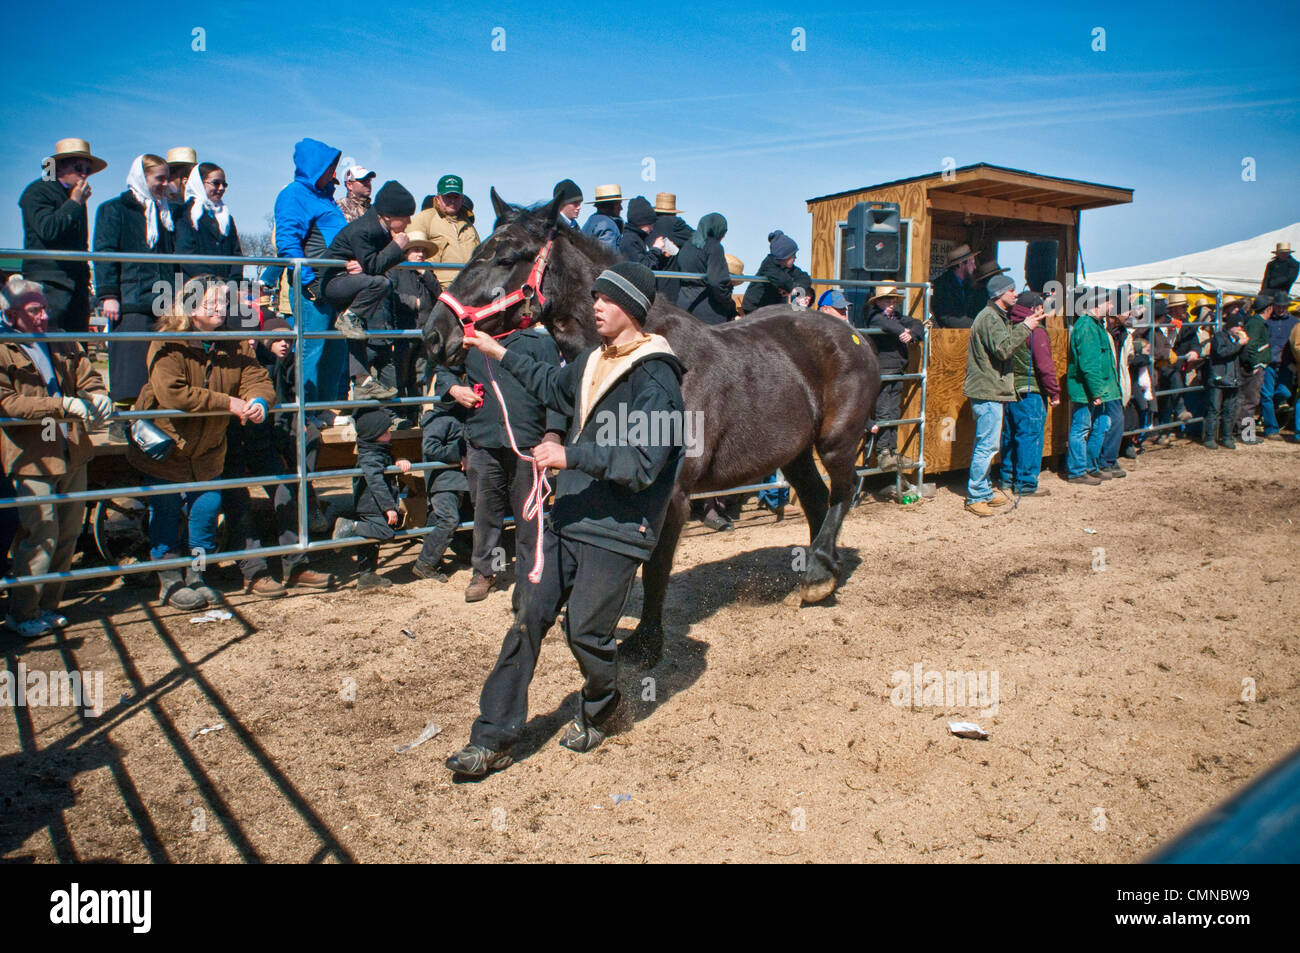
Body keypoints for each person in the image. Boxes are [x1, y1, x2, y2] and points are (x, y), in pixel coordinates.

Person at [445, 262, 685, 777]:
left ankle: (603, 707)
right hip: (569, 512)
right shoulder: (593, 359)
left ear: (633, 309)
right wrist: (496, 351)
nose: (595, 305)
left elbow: (645, 464)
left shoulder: (657, 375)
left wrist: (569, 457)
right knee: (529, 617)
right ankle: (493, 737)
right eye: (594, 296)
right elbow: (553, 386)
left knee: (586, 634)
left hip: (619, 527)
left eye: (607, 299)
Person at [127, 275, 275, 610]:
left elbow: (257, 378)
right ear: (190, 306)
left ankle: (196, 577)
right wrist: (230, 404)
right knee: (165, 514)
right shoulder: (168, 343)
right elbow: (172, 393)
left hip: (208, 449)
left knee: (205, 514)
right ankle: (169, 580)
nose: (220, 308)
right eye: (212, 302)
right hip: (167, 447)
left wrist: (258, 402)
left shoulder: (233, 343)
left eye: (224, 301)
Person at [0, 277, 112, 638]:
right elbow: (9, 403)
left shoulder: (60, 337)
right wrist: (60, 405)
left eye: (45, 308)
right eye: (35, 311)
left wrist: (97, 394)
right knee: (40, 535)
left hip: (70, 450)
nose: (44, 316)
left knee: (67, 533)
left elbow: (87, 374)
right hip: (32, 456)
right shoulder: (4, 348)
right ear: (12, 314)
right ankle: (23, 610)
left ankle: (48, 606)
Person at [434, 313, 566, 604]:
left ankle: (531, 575)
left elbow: (555, 389)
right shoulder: (471, 342)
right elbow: (442, 369)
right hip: (483, 439)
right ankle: (486, 570)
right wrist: (455, 389)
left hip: (528, 441)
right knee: (486, 512)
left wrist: (553, 434)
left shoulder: (538, 343)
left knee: (529, 515)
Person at [218, 315, 334, 597]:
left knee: (287, 492)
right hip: (231, 440)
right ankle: (253, 571)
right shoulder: (239, 357)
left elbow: (280, 401)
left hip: (262, 441)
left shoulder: (284, 365)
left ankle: (295, 564)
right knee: (237, 501)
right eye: (278, 339)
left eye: (288, 340)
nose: (284, 344)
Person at [94, 154, 177, 415]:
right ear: (142, 178)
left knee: (160, 363)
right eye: (159, 178)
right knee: (129, 364)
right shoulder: (114, 209)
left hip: (161, 299)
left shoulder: (165, 214)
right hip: (130, 298)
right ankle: (124, 418)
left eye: (167, 178)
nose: (164, 184)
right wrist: (108, 293)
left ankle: (153, 416)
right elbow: (104, 252)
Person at [270, 138, 348, 409]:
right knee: (311, 350)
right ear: (315, 166)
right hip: (311, 287)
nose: (333, 172)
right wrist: (308, 281)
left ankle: (325, 408)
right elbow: (288, 242)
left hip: (335, 285)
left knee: (336, 349)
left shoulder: (326, 196)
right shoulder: (293, 194)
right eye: (329, 166)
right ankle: (306, 411)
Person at [321, 180, 416, 400]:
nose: (409, 221)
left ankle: (363, 382)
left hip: (353, 283)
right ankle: (349, 317)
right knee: (381, 283)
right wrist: (397, 247)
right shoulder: (364, 228)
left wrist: (370, 264)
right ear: (390, 216)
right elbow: (375, 267)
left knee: (357, 337)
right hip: (334, 282)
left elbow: (373, 264)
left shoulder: (379, 227)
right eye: (406, 216)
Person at [962, 274, 1040, 515]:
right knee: (986, 446)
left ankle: (983, 491)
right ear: (999, 294)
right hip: (988, 391)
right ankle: (975, 495)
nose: (1016, 294)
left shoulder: (993, 317)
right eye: (1012, 290)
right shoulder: (990, 319)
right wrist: (1026, 327)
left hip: (990, 389)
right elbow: (1004, 349)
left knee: (988, 444)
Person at [19, 138, 105, 334]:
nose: (84, 174)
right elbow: (47, 229)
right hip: (49, 282)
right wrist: (74, 203)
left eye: (87, 170)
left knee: (76, 346)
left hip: (75, 283)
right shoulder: (37, 191)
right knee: (50, 344)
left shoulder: (75, 196)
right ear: (59, 167)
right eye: (78, 167)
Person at [330, 407, 412, 591]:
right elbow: (376, 482)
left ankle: (367, 575)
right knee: (385, 532)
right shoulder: (370, 456)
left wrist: (397, 461)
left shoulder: (376, 449)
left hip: (372, 504)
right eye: (385, 432)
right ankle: (350, 527)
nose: (389, 434)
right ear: (374, 435)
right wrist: (389, 507)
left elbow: (387, 461)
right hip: (372, 504)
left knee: (369, 542)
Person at [999, 291, 1059, 496]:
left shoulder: (1010, 326)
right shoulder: (1037, 331)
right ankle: (1026, 484)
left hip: (1011, 390)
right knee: (1030, 437)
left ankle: (1007, 478)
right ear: (1035, 309)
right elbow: (1045, 366)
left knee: (1010, 435)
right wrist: (1054, 392)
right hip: (1031, 390)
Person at [411, 380, 471, 582]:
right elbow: (430, 447)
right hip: (443, 481)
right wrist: (458, 456)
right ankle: (425, 563)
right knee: (449, 519)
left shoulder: (456, 416)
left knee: (441, 519)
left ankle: (460, 551)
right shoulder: (439, 419)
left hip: (455, 481)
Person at [1063, 287, 1120, 485]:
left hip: (1098, 388)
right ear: (1098, 304)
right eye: (1108, 302)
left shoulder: (1093, 325)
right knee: (1081, 428)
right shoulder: (1087, 326)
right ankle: (1077, 470)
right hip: (1087, 389)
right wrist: (1096, 392)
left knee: (1101, 425)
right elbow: (1089, 364)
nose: (1112, 306)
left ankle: (1089, 465)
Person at [865, 286, 924, 472]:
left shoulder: (895, 317)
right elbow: (890, 327)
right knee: (883, 410)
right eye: (888, 300)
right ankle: (883, 452)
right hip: (883, 369)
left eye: (894, 300)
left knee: (893, 411)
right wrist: (904, 331)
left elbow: (918, 324)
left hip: (897, 369)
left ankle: (892, 449)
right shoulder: (875, 317)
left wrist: (911, 333)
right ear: (878, 302)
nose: (892, 304)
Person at [389, 231, 443, 406]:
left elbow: (439, 294)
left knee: (420, 373)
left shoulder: (427, 271)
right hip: (404, 328)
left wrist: (426, 274)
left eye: (422, 250)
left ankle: (415, 411)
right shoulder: (396, 269)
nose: (420, 254)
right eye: (415, 250)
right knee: (401, 370)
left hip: (425, 329)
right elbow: (390, 294)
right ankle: (398, 410)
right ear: (406, 252)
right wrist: (414, 302)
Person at [405, 174, 481, 287]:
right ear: (438, 198)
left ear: (462, 199)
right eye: (448, 196)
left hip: (471, 288)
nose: (452, 201)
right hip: (438, 290)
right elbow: (409, 253)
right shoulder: (424, 218)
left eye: (456, 197)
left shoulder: (469, 226)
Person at [175, 163, 243, 280]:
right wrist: (211, 281)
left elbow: (236, 253)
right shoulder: (185, 213)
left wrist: (233, 282)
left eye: (224, 184)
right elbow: (186, 253)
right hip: (196, 287)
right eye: (216, 183)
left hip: (226, 289)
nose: (221, 188)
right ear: (200, 183)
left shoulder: (226, 218)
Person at [675, 213, 736, 325]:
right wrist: (727, 301)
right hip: (706, 308)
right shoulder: (714, 247)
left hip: (683, 304)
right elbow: (716, 282)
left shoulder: (686, 245)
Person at [1203, 314, 1250, 450]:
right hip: (1218, 378)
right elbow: (1222, 352)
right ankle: (1210, 437)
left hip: (1232, 379)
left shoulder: (1236, 339)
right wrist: (1238, 344)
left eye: (1240, 326)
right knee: (1214, 409)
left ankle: (1227, 437)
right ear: (1229, 326)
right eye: (1236, 326)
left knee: (1230, 410)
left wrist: (1243, 344)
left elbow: (1243, 356)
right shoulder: (1219, 337)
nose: (1239, 329)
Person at [741, 231, 814, 313]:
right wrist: (791, 289)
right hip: (755, 307)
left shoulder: (790, 268)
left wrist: (794, 289)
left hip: (773, 308)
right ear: (784, 255)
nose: (795, 257)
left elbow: (805, 278)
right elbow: (781, 280)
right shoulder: (768, 265)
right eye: (793, 254)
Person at [1236, 294, 1273, 443]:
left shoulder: (1255, 323)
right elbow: (1249, 346)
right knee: (1250, 401)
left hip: (1253, 367)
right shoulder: (1256, 324)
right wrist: (1255, 364)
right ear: (1268, 309)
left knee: (1249, 401)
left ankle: (1246, 433)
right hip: (1252, 369)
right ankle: (1245, 435)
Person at [1262, 292, 1298, 440]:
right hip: (1269, 364)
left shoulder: (1294, 322)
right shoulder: (1267, 322)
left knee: (1285, 393)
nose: (1281, 309)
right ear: (1273, 306)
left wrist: (1294, 363)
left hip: (1286, 365)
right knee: (1266, 396)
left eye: (1283, 306)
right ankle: (1271, 429)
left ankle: (1279, 404)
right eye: (1278, 306)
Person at [648, 192, 692, 301]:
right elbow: (698, 239)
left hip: (649, 281)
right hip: (670, 285)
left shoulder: (649, 224)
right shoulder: (676, 224)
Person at [931, 244, 977, 328]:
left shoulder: (967, 285)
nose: (974, 267)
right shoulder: (942, 285)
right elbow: (947, 317)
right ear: (960, 264)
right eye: (972, 263)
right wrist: (978, 325)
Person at [618, 196, 668, 268]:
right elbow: (642, 268)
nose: (652, 228)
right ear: (641, 222)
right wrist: (656, 249)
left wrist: (663, 256)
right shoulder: (629, 241)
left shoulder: (638, 238)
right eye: (650, 224)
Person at [581, 184, 624, 251]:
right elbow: (608, 258)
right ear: (608, 206)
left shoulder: (591, 220)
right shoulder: (607, 225)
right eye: (618, 204)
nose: (621, 208)